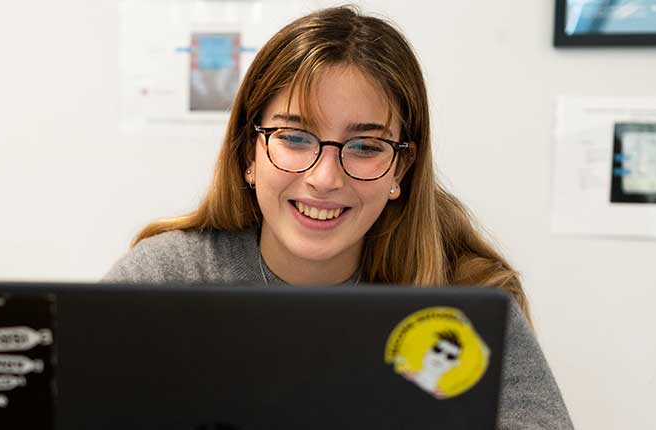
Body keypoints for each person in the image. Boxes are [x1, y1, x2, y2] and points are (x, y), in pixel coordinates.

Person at [104, 6, 574, 429]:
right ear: (251, 151)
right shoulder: (164, 279)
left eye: (367, 147)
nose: (325, 177)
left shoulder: (466, 302)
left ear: (400, 169)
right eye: (294, 137)